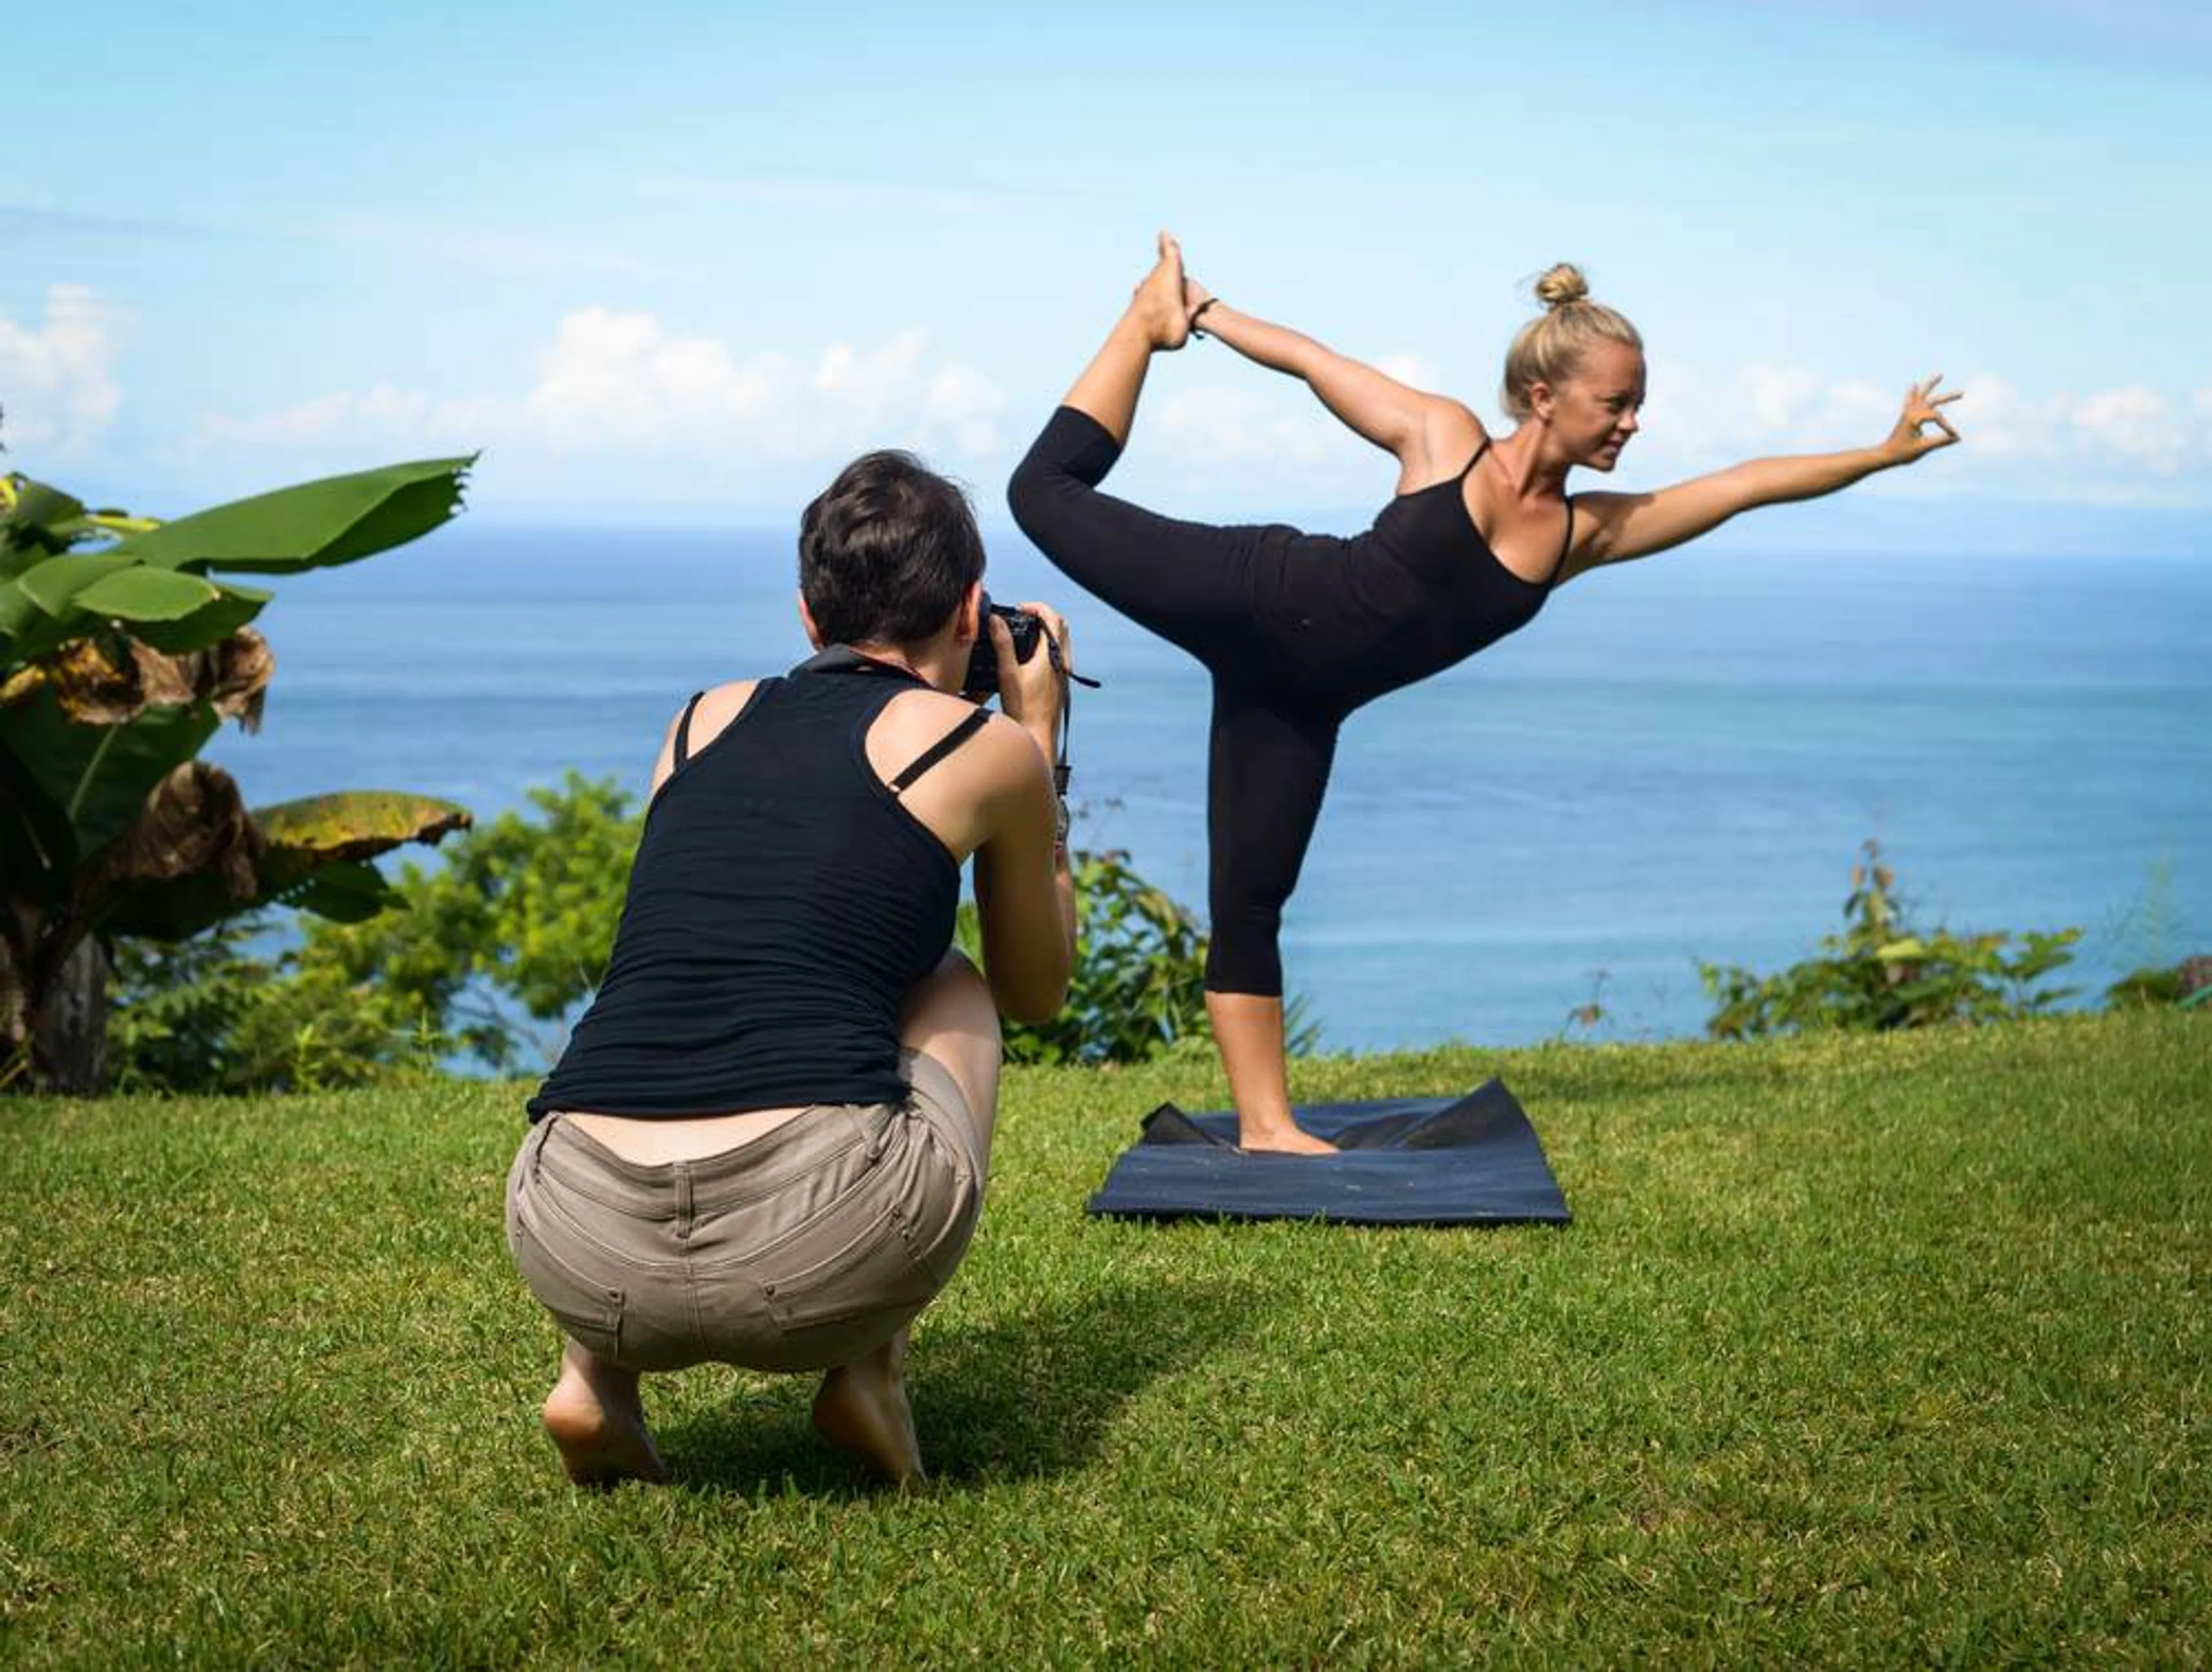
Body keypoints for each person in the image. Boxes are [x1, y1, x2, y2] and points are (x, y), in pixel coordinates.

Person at [1008, 233, 1961, 1154]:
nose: (1632, 423)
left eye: (1638, 406)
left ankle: (1267, 1129)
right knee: (1041, 494)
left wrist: (1879, 456)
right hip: (1257, 591)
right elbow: (1311, 359)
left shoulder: (1579, 536)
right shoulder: (1444, 436)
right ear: (1543, 397)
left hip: (1300, 705)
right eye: (1616, 404)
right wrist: (1201, 313)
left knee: (1252, 900)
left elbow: (1742, 485)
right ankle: (1142, 321)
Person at [507, 450, 1077, 1487]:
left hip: (572, 1235)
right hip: (815, 1250)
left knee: (704, 966)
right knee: (951, 976)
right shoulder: (983, 749)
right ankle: (871, 1368)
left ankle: (592, 1382)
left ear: (809, 619)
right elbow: (1038, 991)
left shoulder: (695, 724)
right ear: (971, 610)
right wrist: (1040, 732)